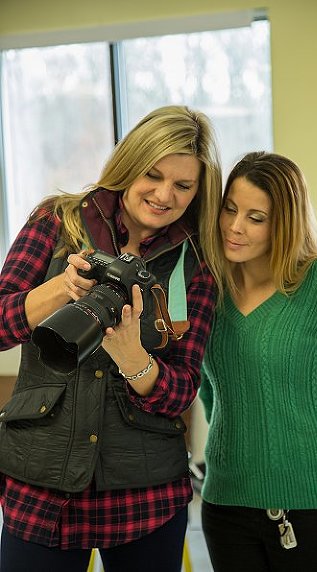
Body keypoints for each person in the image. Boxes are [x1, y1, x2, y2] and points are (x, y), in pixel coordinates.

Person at [0, 105, 224, 571]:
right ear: (129, 164)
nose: (164, 195)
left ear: (199, 192)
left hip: (145, 494)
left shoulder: (196, 263)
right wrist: (61, 289)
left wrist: (135, 360)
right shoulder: (57, 222)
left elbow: (183, 387)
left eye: (183, 186)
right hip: (41, 485)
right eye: (153, 175)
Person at [198, 151, 317, 572]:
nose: (234, 226)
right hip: (226, 503)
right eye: (230, 209)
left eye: (255, 217)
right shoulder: (209, 285)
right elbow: (206, 382)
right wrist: (233, 440)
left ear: (284, 223)